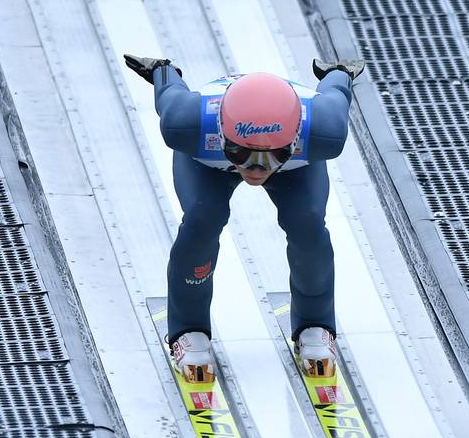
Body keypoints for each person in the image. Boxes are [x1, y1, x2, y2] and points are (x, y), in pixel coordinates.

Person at [123, 54, 365, 380]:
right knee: (201, 220)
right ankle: (189, 328)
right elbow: (171, 94)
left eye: (272, 154)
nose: (257, 169)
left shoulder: (325, 130)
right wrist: (163, 71)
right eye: (241, 152)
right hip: (218, 162)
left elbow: (336, 95)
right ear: (220, 130)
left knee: (307, 223)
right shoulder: (185, 123)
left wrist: (338, 74)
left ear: (295, 138)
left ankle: (316, 322)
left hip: (242, 159)